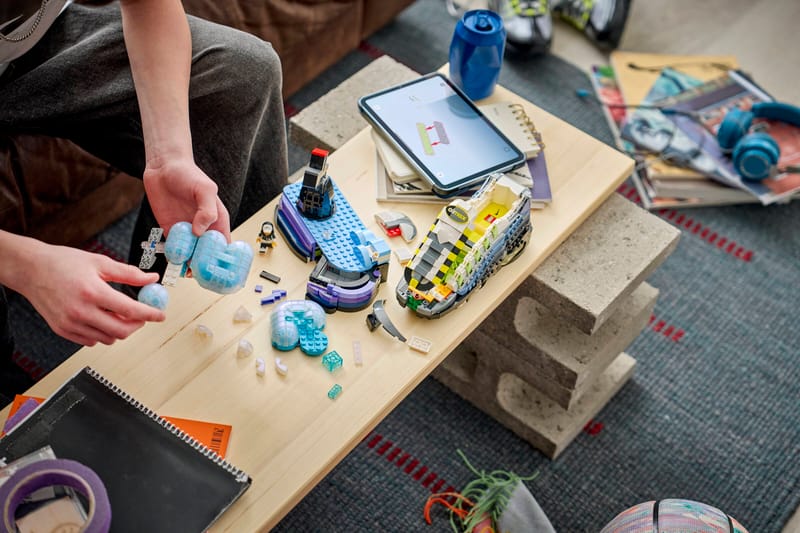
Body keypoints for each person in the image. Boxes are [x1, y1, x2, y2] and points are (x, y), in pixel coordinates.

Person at [0, 0, 288, 405]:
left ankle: (163, 319)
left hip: (28, 44)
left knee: (242, 71)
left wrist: (169, 158)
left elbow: (149, 6)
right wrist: (24, 265)